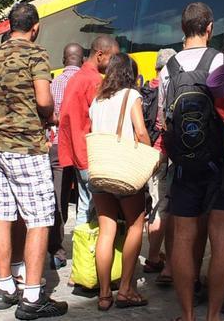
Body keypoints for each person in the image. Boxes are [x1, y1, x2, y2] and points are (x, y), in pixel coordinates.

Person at [158, 2, 224, 321]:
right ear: (209, 28)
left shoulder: (169, 67)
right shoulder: (222, 60)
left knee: (183, 238)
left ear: (183, 30)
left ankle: (188, 315)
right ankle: (214, 316)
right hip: (221, 163)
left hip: (184, 166)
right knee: (221, 238)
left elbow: (164, 119)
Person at [0, 3, 68, 318]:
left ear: (10, 25)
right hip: (27, 147)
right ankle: (32, 297)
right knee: (39, 219)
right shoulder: (36, 54)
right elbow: (44, 100)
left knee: (3, 215)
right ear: (35, 27)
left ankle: (5, 288)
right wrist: (50, 115)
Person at [88, 53, 151, 311]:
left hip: (101, 170)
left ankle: (104, 295)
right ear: (130, 73)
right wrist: (150, 155)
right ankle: (125, 288)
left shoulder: (98, 99)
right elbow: (140, 131)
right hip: (125, 171)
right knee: (136, 225)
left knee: (107, 230)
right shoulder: (131, 95)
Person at [58, 35, 118, 226]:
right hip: (90, 154)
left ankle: (81, 254)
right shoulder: (93, 81)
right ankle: (91, 254)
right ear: (100, 54)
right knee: (95, 211)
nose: (112, 64)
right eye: (112, 58)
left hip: (76, 151)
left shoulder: (77, 77)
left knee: (84, 206)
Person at [46, 42, 84, 273]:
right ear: (81, 59)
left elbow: (48, 113)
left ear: (63, 59)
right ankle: (86, 250)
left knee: (57, 198)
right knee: (87, 199)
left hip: (57, 146)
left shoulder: (55, 82)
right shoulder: (89, 80)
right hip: (82, 147)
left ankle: (56, 250)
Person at [143, 47, 176, 281]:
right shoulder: (169, 87)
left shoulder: (145, 89)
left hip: (147, 154)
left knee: (155, 204)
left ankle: (155, 257)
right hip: (164, 153)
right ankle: (157, 260)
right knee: (163, 209)